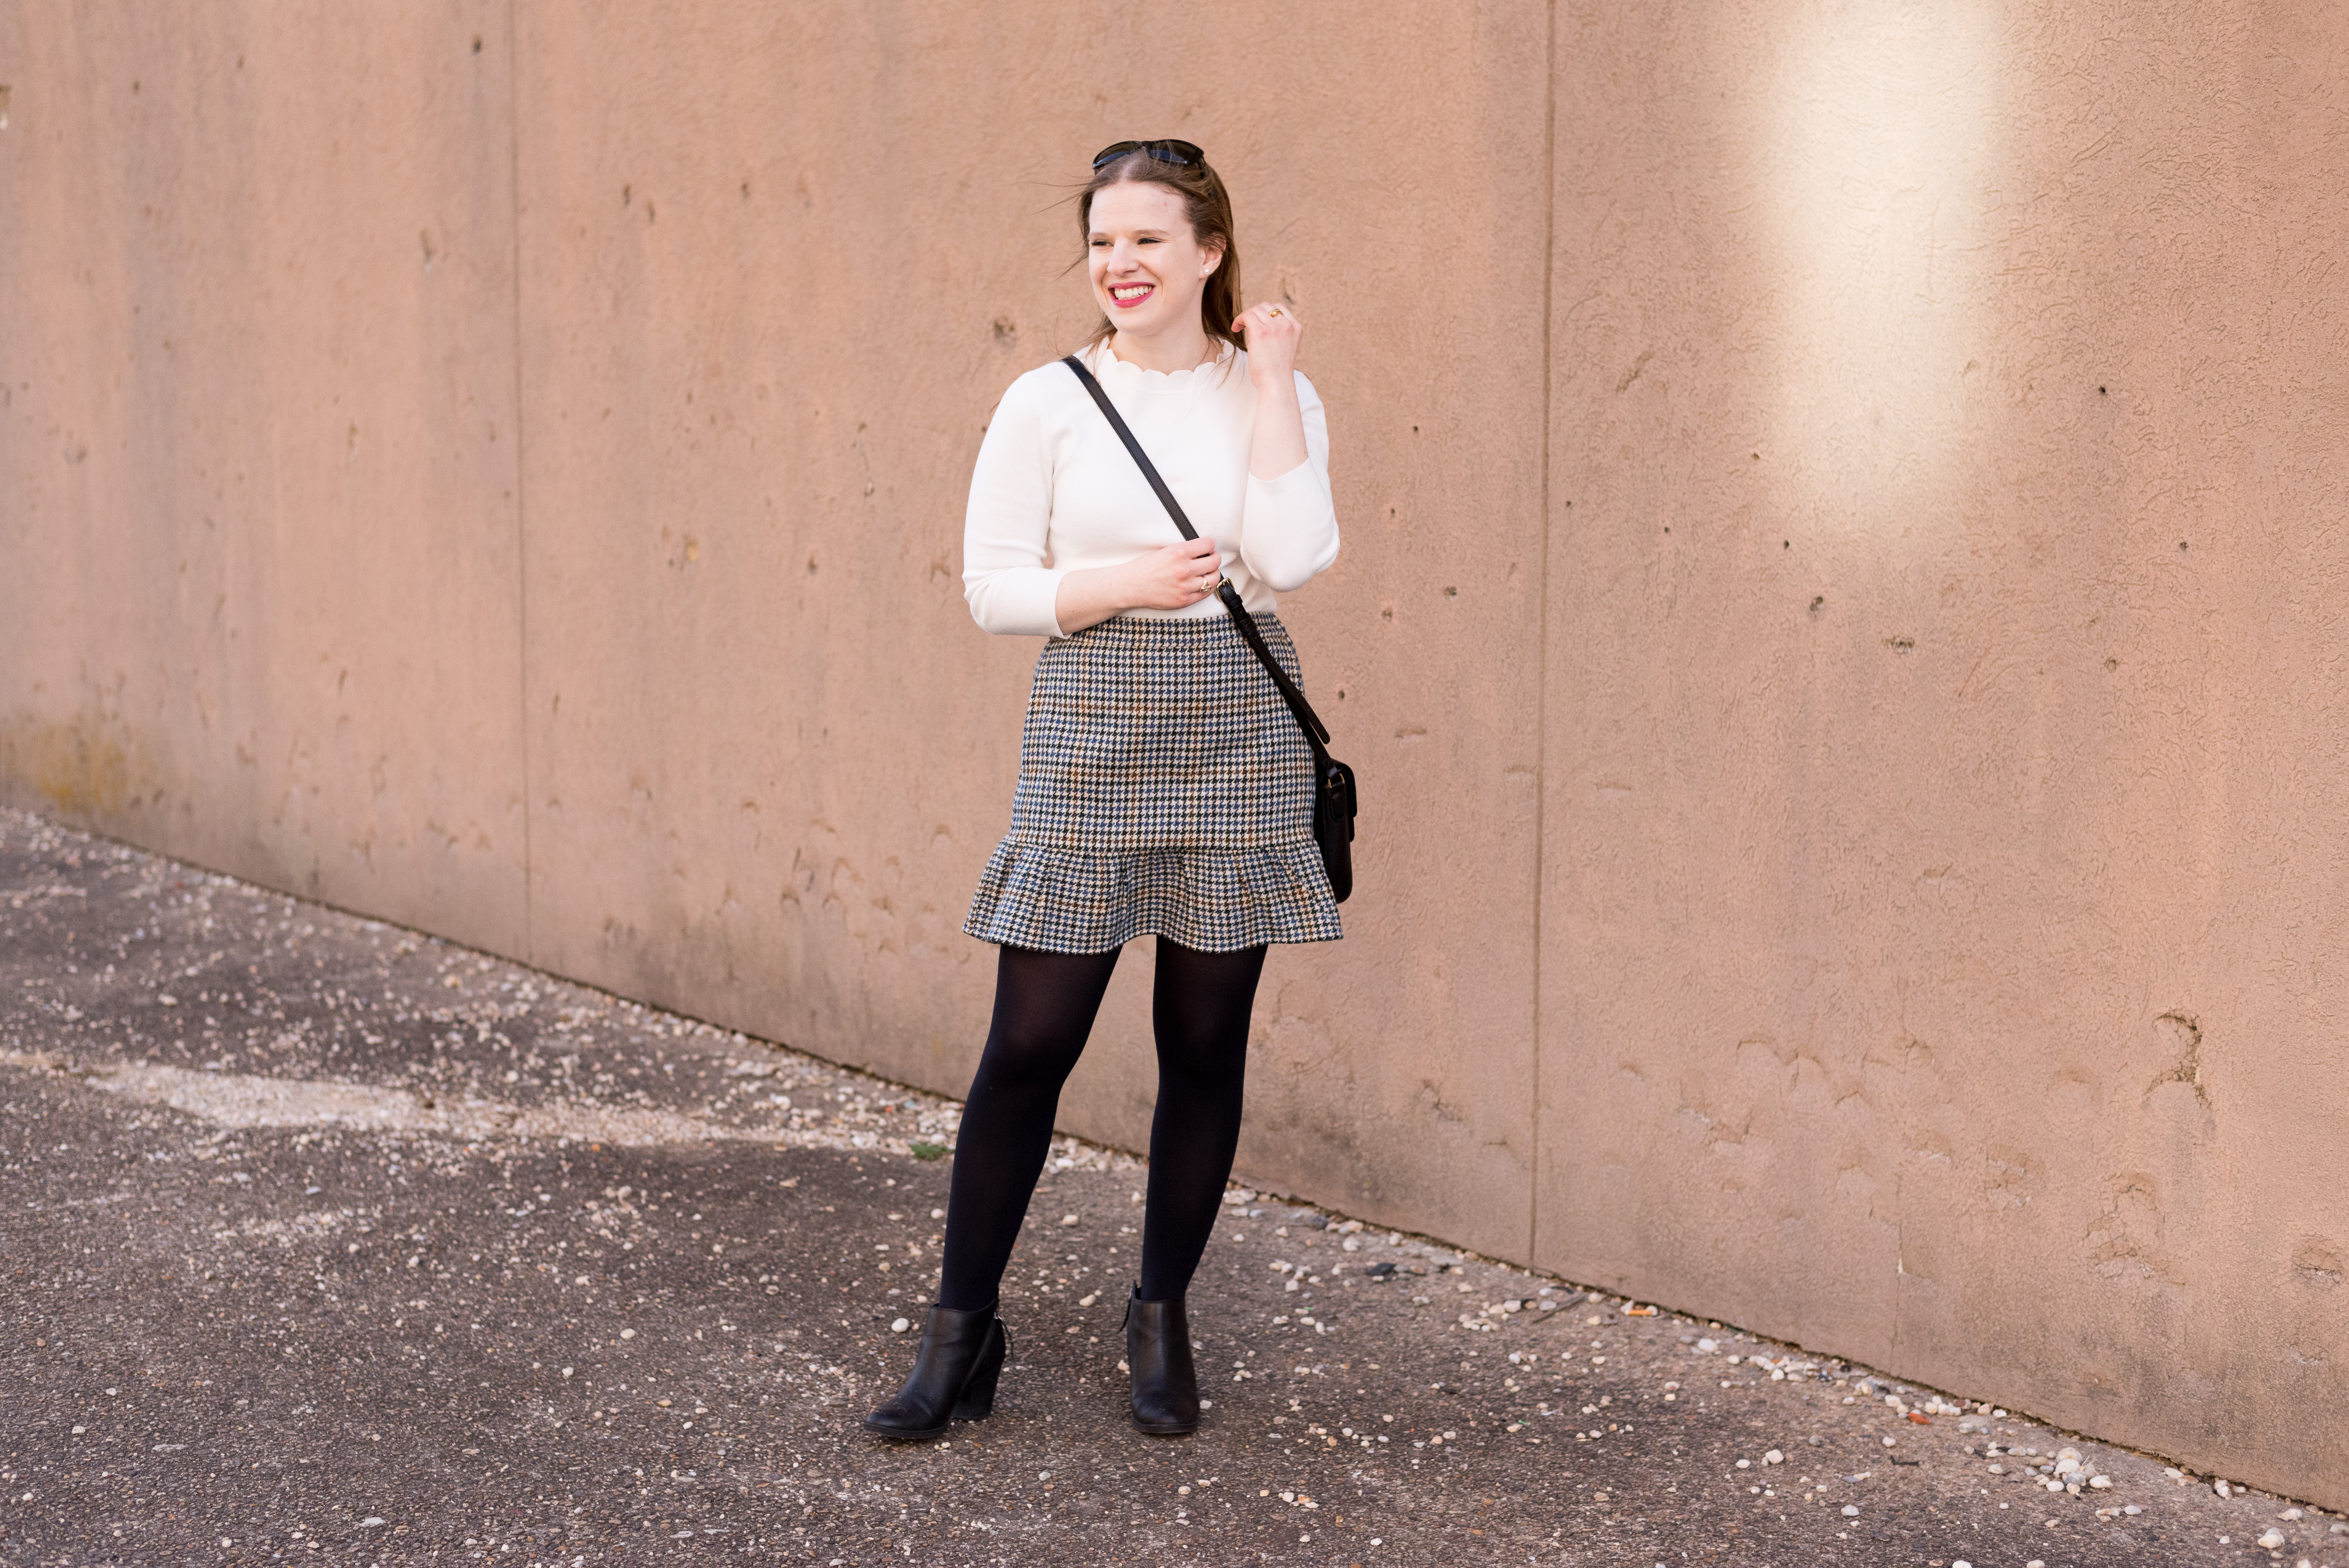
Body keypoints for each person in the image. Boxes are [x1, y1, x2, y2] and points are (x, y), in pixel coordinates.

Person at [865, 138, 1344, 1441]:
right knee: (1029, 1042)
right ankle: (961, 1332)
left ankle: (1159, 1313)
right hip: (1093, 726)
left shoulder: (1271, 391)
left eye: (1146, 239)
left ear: (1207, 253)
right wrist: (1124, 585)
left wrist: (1279, 375)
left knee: (1202, 1044)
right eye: (1103, 241)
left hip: (1238, 735)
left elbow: (1292, 556)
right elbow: (989, 586)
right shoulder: (1049, 400)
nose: (1119, 263)